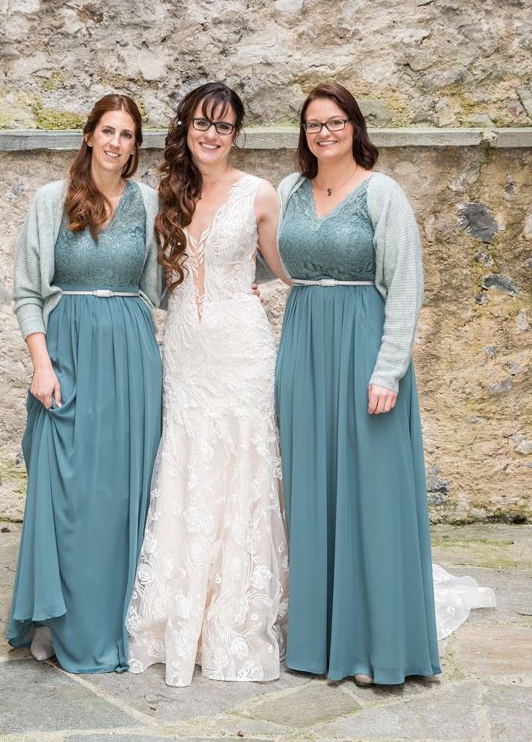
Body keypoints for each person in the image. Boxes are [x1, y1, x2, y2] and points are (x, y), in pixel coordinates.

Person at [275, 82, 441, 686]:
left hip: (364, 345)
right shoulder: (289, 191)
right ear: (304, 132)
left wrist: (388, 369)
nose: (325, 132)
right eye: (315, 123)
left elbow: (405, 286)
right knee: (311, 490)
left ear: (355, 127)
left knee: (371, 494)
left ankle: (376, 645)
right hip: (303, 348)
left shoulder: (382, 193)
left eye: (336, 121)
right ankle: (319, 642)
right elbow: (265, 259)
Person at [126, 82, 289, 687]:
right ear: (187, 128)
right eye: (201, 123)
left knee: (242, 468)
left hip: (241, 350)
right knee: (187, 466)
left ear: (236, 134)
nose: (210, 135)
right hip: (186, 355)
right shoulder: (168, 191)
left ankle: (236, 615)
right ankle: (177, 610)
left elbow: (285, 268)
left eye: (222, 126)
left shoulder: (260, 194)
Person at [6, 94, 163, 674]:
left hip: (132, 353)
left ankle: (110, 620)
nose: (117, 143)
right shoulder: (52, 201)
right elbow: (27, 290)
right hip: (66, 350)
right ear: (90, 137)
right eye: (108, 131)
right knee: (65, 490)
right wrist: (41, 364)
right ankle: (56, 617)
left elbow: (162, 286)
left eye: (127, 135)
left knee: (121, 493)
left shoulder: (148, 202)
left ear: (134, 146)